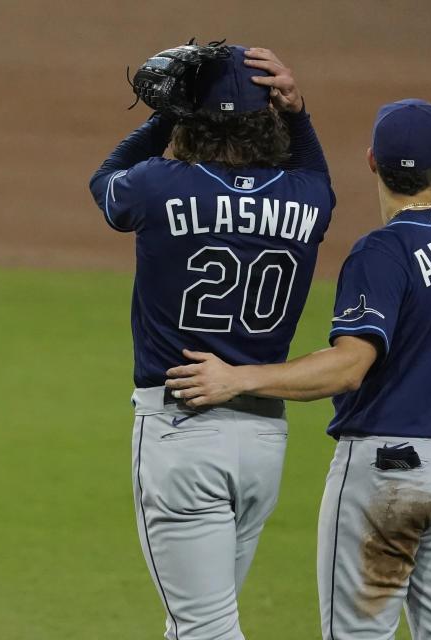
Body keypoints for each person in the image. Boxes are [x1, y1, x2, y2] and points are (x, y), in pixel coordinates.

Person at [166, 99, 431, 639]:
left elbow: (350, 367)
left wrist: (239, 378)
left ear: (372, 161)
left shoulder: (382, 252)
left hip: (386, 480)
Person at [88, 46, 335, 640]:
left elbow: (105, 181)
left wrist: (165, 117)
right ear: (266, 118)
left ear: (193, 120)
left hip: (183, 441)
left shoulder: (157, 185)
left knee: (204, 631)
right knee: (194, 626)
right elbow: (316, 172)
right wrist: (299, 114)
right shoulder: (307, 198)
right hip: (261, 446)